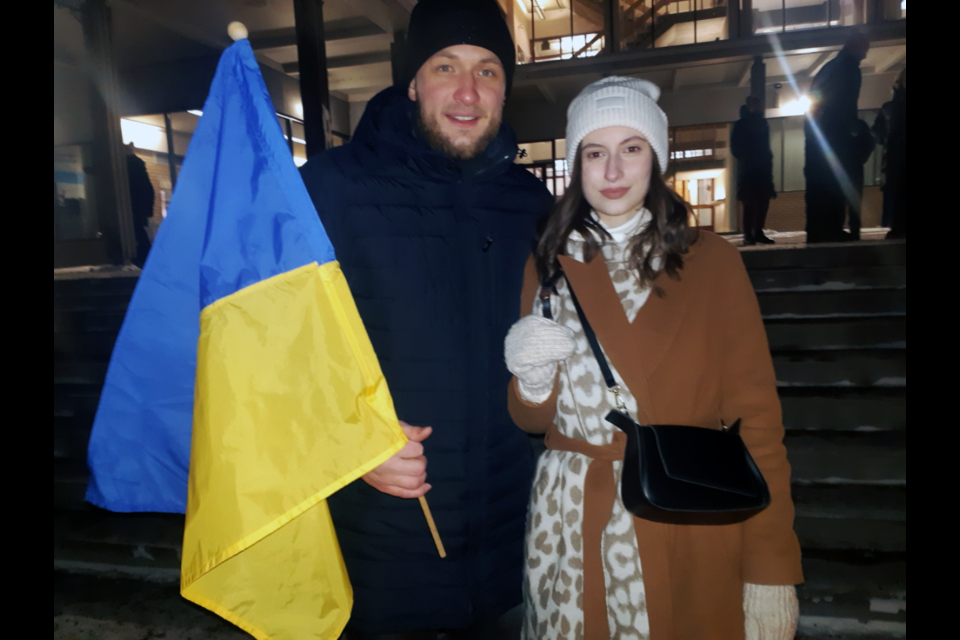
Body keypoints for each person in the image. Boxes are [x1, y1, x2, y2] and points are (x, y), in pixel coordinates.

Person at [504, 77, 804, 640]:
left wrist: (770, 567)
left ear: (656, 158)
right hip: (569, 521)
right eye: (595, 153)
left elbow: (758, 420)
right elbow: (532, 421)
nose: (613, 172)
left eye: (631, 149)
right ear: (577, 163)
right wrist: (532, 381)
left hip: (680, 512)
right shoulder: (547, 263)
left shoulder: (710, 262)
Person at [299, 1, 555, 638]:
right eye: (446, 67)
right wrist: (350, 444)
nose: (468, 92)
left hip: (510, 556)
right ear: (412, 81)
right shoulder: (328, 190)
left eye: (488, 70)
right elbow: (270, 355)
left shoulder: (532, 205)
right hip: (382, 556)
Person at [805, 32, 870, 244]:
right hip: (833, 134)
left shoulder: (835, 67)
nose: (866, 52)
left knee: (826, 183)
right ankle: (830, 228)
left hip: (824, 133)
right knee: (833, 182)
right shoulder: (846, 68)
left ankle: (824, 228)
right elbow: (845, 105)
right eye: (864, 47)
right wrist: (849, 132)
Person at [731, 95, 777, 246]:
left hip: (762, 169)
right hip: (749, 170)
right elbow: (735, 148)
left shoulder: (763, 124)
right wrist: (749, 158)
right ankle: (748, 234)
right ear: (750, 105)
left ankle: (757, 231)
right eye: (757, 104)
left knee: (763, 201)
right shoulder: (741, 125)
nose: (760, 107)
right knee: (750, 203)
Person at [126, 144, 156, 268]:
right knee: (140, 237)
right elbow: (149, 191)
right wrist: (146, 212)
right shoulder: (138, 167)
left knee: (137, 236)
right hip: (138, 211)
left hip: (134, 211)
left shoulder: (129, 167)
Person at [845, 119, 876, 241]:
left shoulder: (848, 139)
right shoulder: (865, 139)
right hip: (856, 171)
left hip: (849, 170)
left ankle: (852, 229)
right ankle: (854, 230)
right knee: (855, 204)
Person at [885, 69, 906, 240]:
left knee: (899, 190)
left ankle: (898, 226)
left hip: (898, 151)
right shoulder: (897, 103)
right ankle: (899, 226)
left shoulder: (894, 103)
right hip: (900, 151)